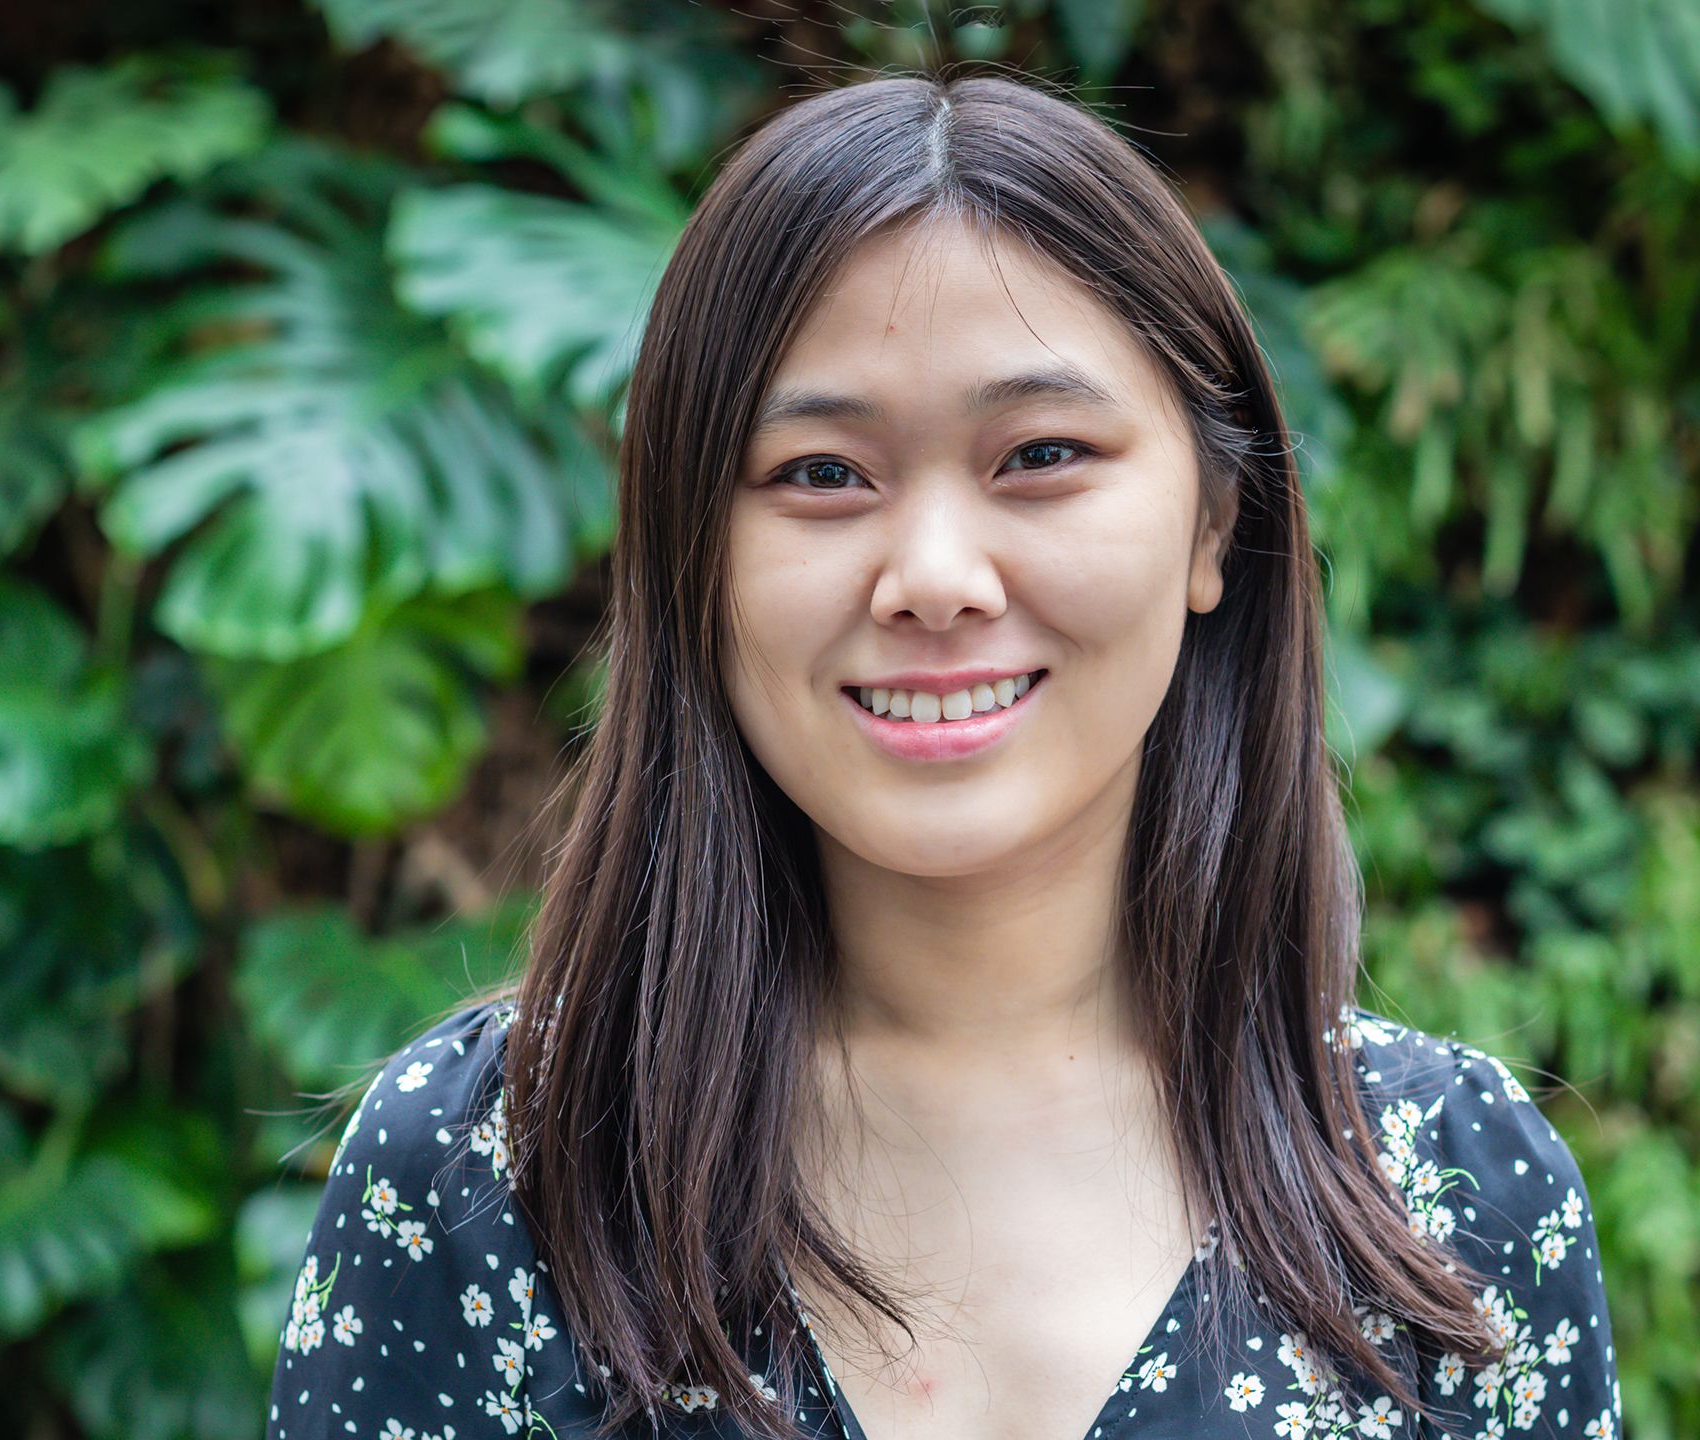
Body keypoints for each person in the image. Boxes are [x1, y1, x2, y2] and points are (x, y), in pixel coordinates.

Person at [264, 71, 1621, 1440]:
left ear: (1216, 524)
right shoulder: (489, 1169)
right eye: (822, 474)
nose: (932, 576)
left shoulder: (1453, 1195)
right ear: (693, 556)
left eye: (1040, 452)